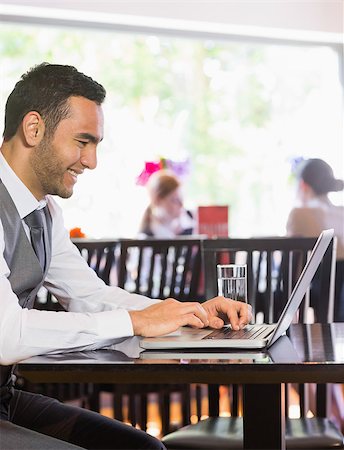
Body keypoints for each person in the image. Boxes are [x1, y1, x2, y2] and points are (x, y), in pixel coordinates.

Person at [0, 63, 252, 450]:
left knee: (146, 448)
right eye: (82, 142)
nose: (91, 161)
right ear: (34, 129)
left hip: (4, 400)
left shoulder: (45, 213)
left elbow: (91, 295)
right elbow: (6, 336)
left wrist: (189, 313)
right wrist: (135, 321)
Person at [286, 158, 344, 321]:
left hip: (319, 294)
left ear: (303, 185)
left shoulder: (299, 213)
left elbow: (292, 265)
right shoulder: (342, 212)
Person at [138, 169, 195, 238]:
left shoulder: (190, 221)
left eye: (181, 199)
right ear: (158, 200)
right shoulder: (146, 236)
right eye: (175, 200)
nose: (181, 205)